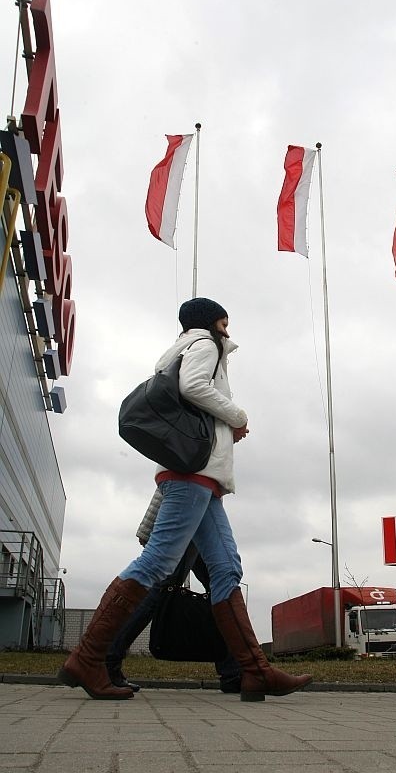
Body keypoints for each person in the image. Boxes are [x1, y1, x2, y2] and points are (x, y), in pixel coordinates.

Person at [58, 297, 312, 702]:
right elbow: (192, 386)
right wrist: (237, 416)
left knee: (226, 567)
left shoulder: (181, 349)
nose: (229, 327)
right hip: (192, 474)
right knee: (158, 561)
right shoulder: (206, 345)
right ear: (215, 321)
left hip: (201, 478)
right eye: (225, 320)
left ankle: (254, 671)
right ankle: (89, 658)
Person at [105, 488, 242, 694]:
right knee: (162, 589)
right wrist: (149, 527)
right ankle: (107, 659)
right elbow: (179, 479)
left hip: (198, 515)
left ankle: (234, 671)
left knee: (221, 587)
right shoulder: (203, 458)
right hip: (190, 514)